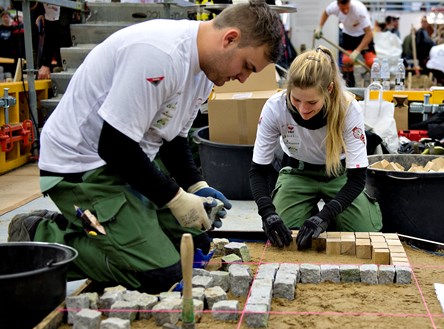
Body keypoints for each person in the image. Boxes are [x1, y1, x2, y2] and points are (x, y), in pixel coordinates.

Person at [8, 1, 284, 294]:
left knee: (195, 244)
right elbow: (114, 146)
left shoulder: (206, 71)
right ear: (229, 39)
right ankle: (44, 233)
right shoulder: (160, 55)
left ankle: (105, 227)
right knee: (160, 275)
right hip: (82, 168)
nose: (242, 78)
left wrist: (195, 185)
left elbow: (173, 138)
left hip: (126, 162)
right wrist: (174, 198)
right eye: (246, 66)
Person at [249, 45, 382, 249]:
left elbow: (357, 179)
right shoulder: (274, 108)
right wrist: (267, 213)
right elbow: (258, 170)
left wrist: (325, 216)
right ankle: (304, 213)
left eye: (312, 102)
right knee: (284, 235)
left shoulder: (348, 109)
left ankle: (337, 220)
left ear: (328, 89)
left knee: (363, 235)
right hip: (297, 173)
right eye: (296, 99)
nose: (303, 109)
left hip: (340, 175)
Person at [314, 0, 375, 87]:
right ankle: (351, 89)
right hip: (348, 36)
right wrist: (320, 27)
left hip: (363, 35)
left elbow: (369, 33)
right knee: (346, 62)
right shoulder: (333, 7)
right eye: (343, 9)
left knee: (371, 62)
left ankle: (374, 87)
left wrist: (357, 51)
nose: (345, 11)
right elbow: (325, 13)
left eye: (347, 8)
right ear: (338, 5)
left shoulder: (359, 9)